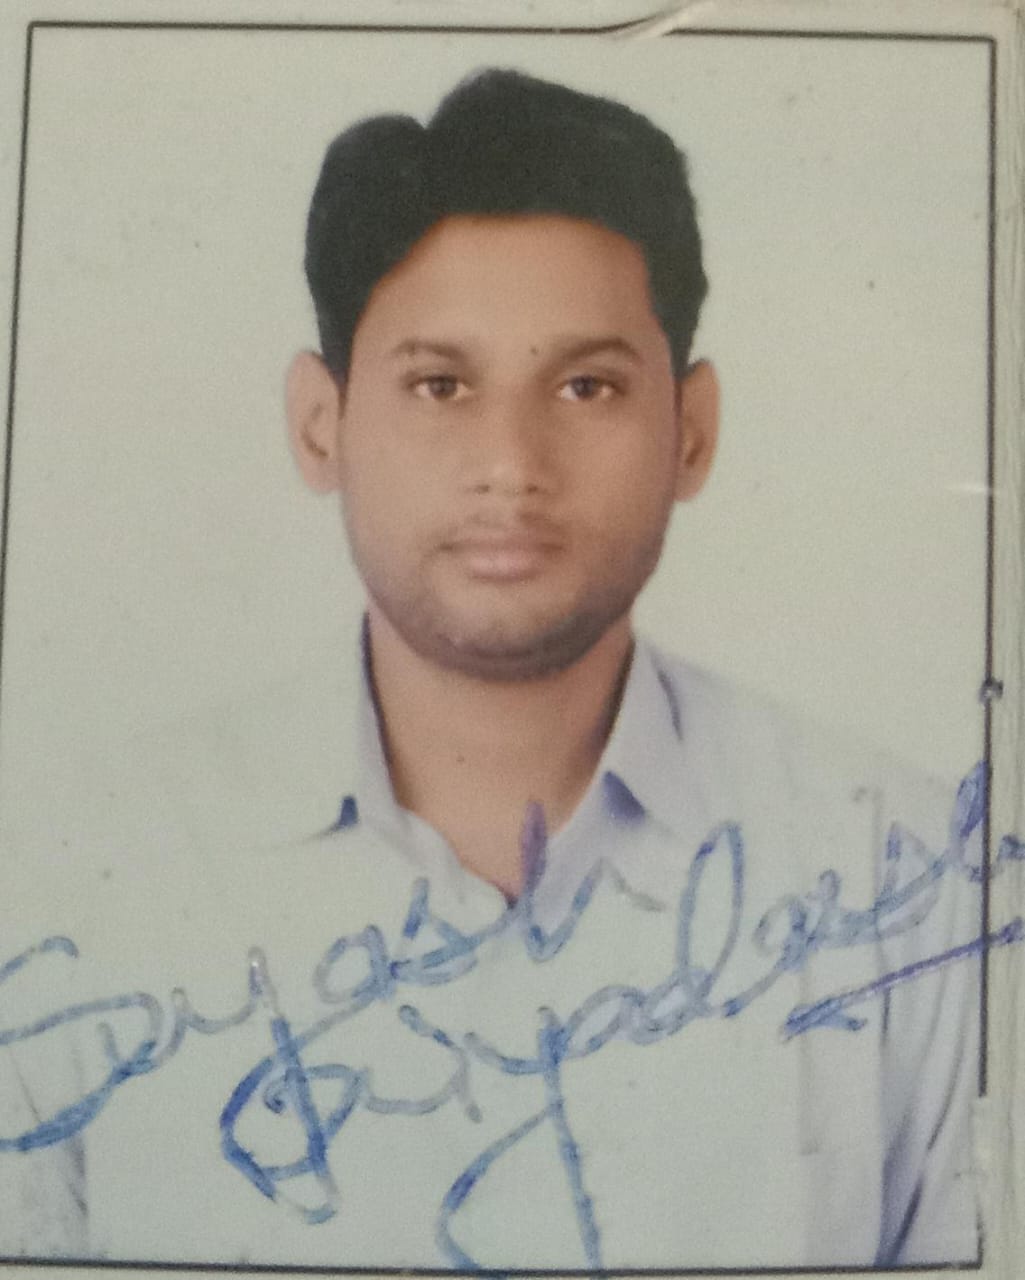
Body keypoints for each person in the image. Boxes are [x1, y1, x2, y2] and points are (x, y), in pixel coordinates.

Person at [0, 67, 983, 1271]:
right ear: (319, 423)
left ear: (691, 430)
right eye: (439, 384)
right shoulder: (71, 889)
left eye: (584, 385)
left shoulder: (911, 886)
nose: (510, 462)